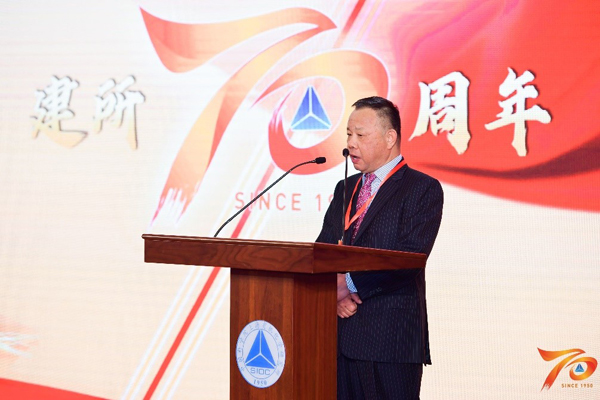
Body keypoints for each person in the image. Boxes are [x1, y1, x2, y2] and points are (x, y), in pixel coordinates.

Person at [316, 96, 443, 399]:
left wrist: (347, 285)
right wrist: (331, 291)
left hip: (391, 340)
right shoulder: (345, 188)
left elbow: (409, 259)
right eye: (349, 134)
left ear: (390, 138)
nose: (351, 143)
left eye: (361, 135)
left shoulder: (421, 189)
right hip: (340, 336)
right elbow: (322, 250)